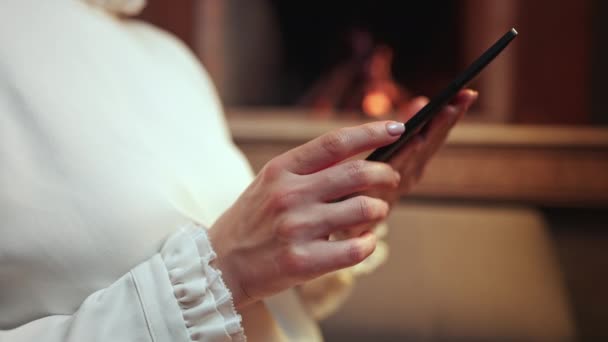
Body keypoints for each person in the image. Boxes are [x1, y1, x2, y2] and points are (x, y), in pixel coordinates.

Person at [0, 1, 477, 341]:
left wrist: (330, 224)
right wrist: (224, 270)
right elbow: (226, 273)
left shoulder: (170, 60)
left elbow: (259, 305)